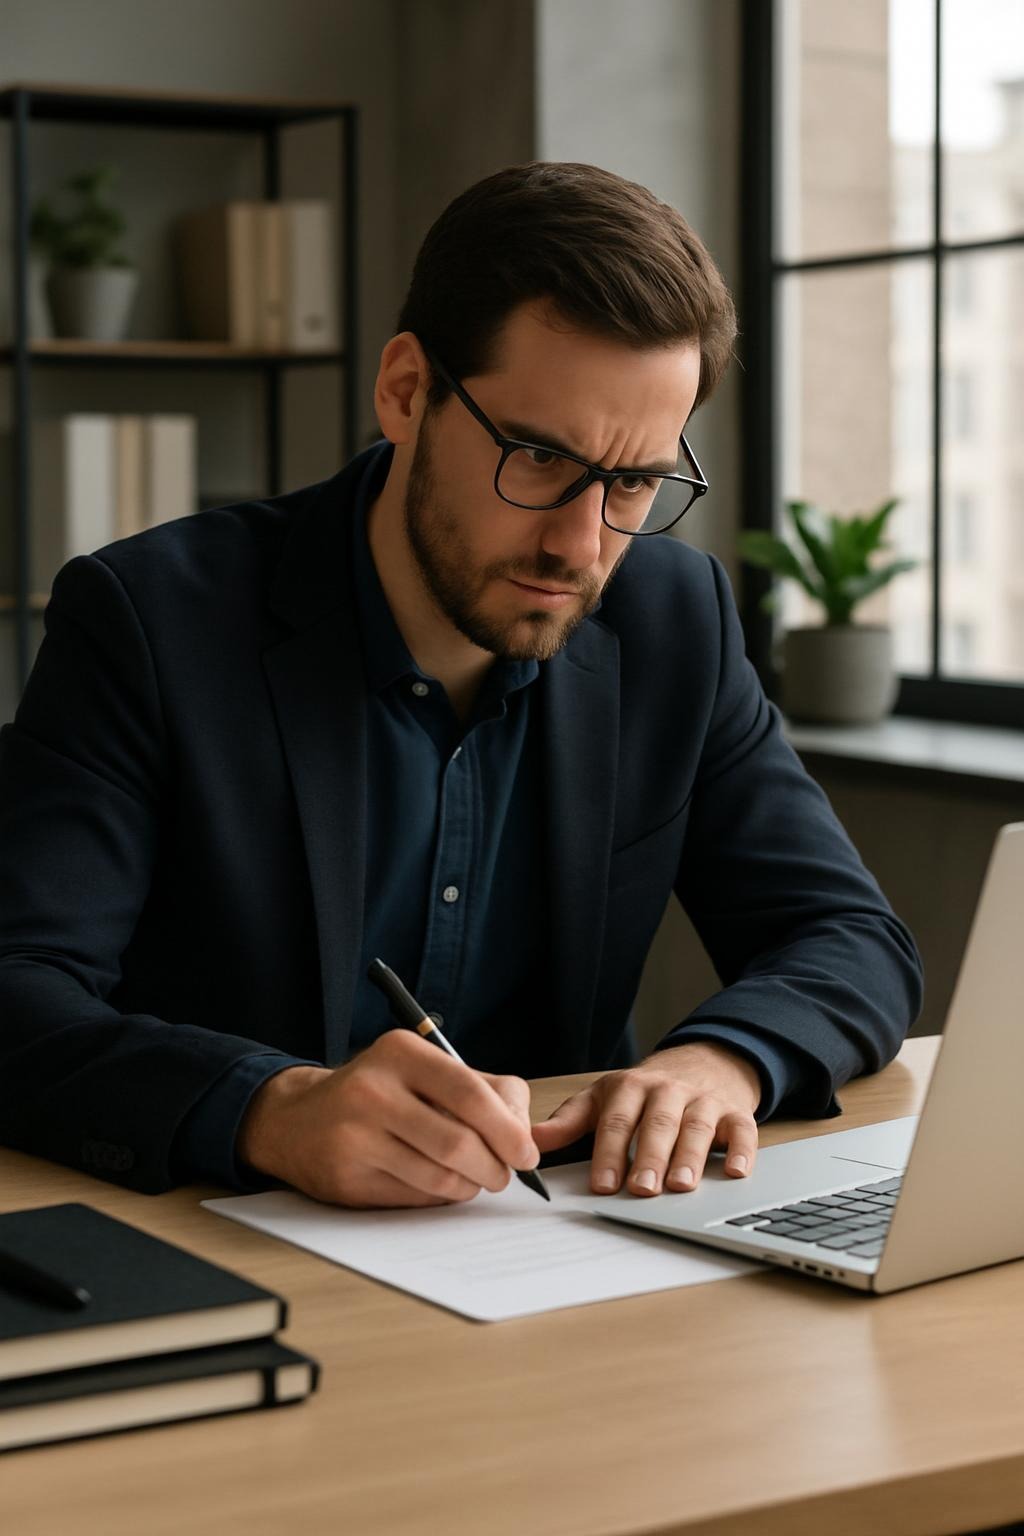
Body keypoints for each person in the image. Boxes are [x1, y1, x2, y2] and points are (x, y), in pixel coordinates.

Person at [0, 162, 922, 1211]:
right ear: (405, 391)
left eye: (632, 483)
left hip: (566, 1244)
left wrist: (724, 1061)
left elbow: (850, 938)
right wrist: (269, 1107)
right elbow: (17, 992)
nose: (581, 545)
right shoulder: (150, 618)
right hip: (238, 1236)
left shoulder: (675, 621)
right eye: (536, 456)